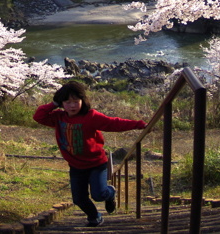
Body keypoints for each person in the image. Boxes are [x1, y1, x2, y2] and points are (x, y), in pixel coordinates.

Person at [33, 81, 147, 227]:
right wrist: (54, 103)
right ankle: (94, 217)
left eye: (76, 101)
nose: (72, 105)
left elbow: (113, 123)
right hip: (75, 166)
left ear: (83, 101)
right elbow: (38, 116)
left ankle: (110, 193)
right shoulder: (58, 118)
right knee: (79, 199)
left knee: (98, 195)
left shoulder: (91, 116)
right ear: (61, 103)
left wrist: (138, 124)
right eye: (67, 102)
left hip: (96, 164)